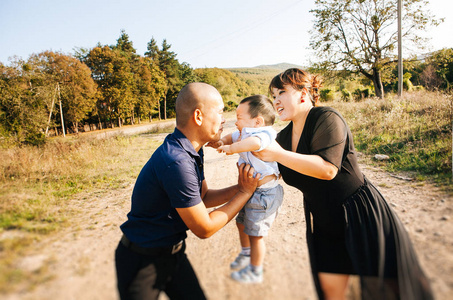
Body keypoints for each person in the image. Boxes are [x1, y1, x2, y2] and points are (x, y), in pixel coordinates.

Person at [253, 68, 433, 300]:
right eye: (273, 95)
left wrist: (278, 155)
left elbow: (327, 169)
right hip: (324, 222)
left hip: (360, 215)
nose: (275, 100)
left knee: (388, 291)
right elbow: (273, 168)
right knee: (332, 292)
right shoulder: (283, 138)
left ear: (303, 94)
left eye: (281, 93)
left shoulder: (327, 118)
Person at [115, 82, 260, 300]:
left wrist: (240, 187)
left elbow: (202, 198)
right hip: (141, 261)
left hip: (173, 255)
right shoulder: (177, 161)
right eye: (220, 112)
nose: (224, 119)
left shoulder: (192, 149)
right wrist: (244, 194)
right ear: (198, 116)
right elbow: (204, 228)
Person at [211, 95, 284, 283]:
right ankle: (245, 254)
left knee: (256, 235)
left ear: (257, 121)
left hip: (265, 194)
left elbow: (255, 144)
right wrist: (222, 142)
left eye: (239, 117)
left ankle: (255, 270)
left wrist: (232, 148)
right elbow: (230, 136)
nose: (236, 122)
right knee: (241, 223)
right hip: (251, 192)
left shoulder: (264, 133)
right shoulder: (244, 133)